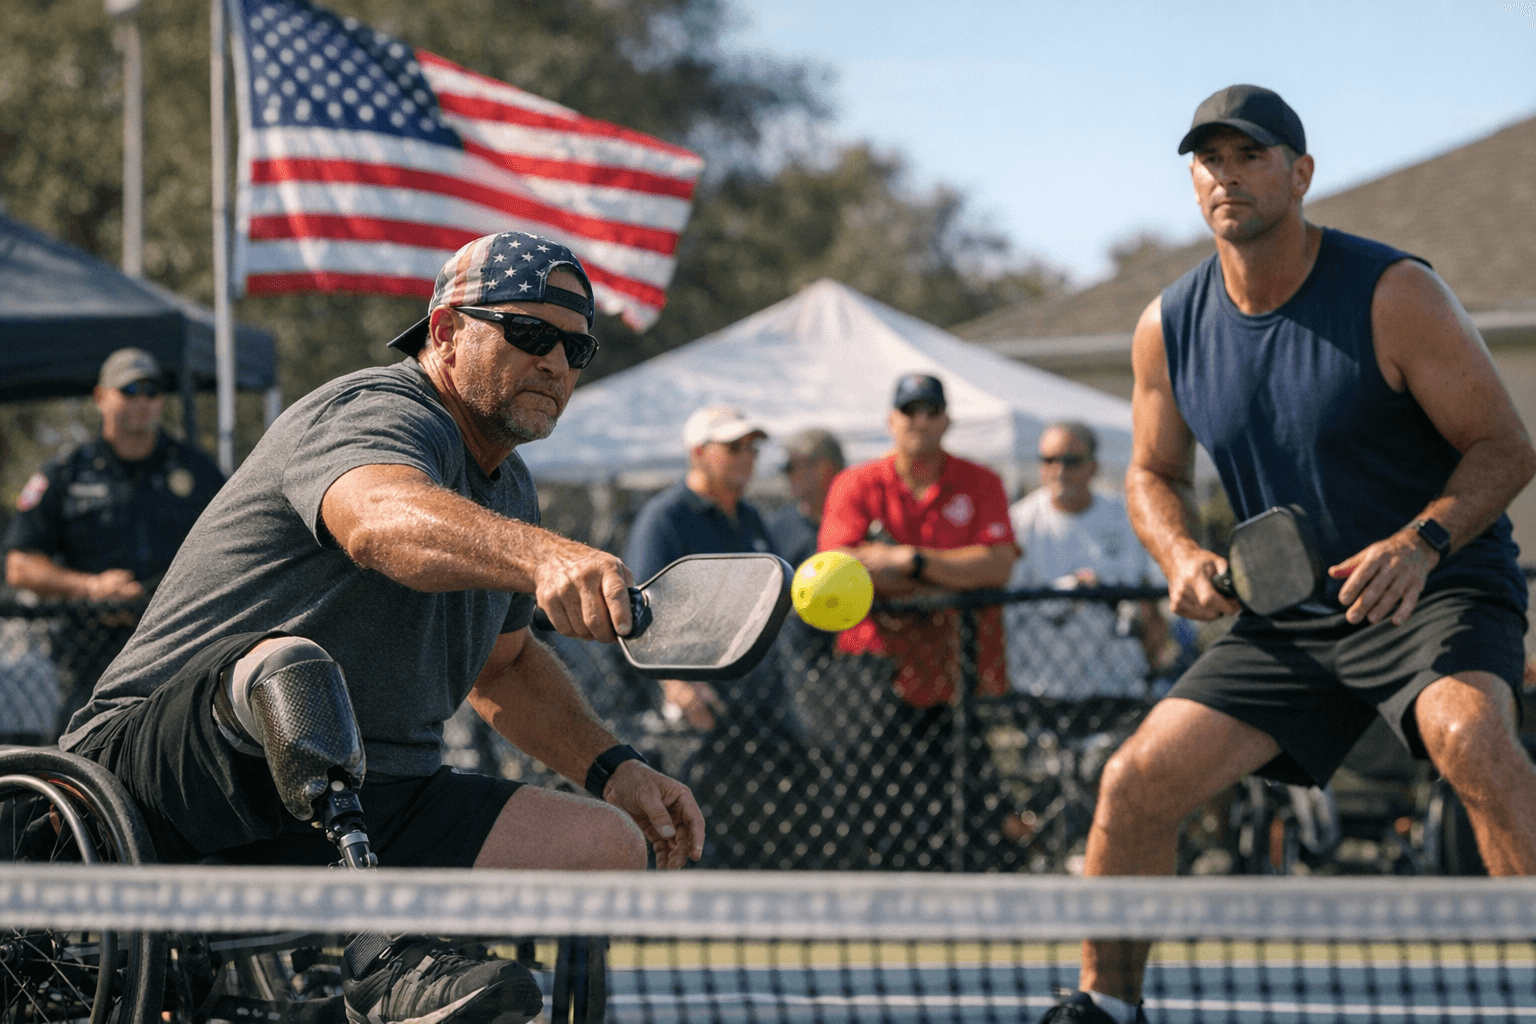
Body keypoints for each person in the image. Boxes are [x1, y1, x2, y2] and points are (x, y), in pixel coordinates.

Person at [58, 232, 704, 1024]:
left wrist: (618, 771)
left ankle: (333, 1011)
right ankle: (388, 956)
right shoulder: (374, 409)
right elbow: (376, 520)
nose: (556, 364)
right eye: (528, 333)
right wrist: (543, 557)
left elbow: (502, 670)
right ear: (444, 332)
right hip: (159, 777)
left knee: (607, 847)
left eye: (578, 347)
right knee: (291, 662)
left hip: (363, 801)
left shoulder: (511, 487)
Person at [1036, 85, 1536, 1024]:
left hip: (1431, 589)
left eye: (1251, 155)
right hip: (1286, 618)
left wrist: (1421, 542)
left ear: (1300, 174)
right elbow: (1151, 471)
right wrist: (1179, 550)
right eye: (1209, 159)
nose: (1228, 174)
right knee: (1135, 782)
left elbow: (1506, 447)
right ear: (1194, 183)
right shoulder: (1168, 325)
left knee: (1470, 738)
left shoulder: (1396, 295)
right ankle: (1105, 1005)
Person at [817, 373, 1020, 870]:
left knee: (966, 802)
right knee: (873, 804)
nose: (921, 421)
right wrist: (951, 579)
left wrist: (909, 563)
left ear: (947, 420)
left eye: (932, 410)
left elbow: (997, 565)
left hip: (958, 673)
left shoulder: (981, 481)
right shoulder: (857, 483)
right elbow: (835, 572)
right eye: (910, 410)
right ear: (892, 421)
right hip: (875, 671)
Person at [623, 406, 814, 867]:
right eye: (733, 447)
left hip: (762, 708)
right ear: (697, 453)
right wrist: (679, 688)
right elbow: (638, 610)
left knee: (774, 831)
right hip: (702, 715)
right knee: (698, 837)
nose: (747, 457)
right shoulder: (665, 518)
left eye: (752, 447)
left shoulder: (751, 517)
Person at [4, 347, 224, 739]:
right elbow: (19, 566)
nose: (142, 401)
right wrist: (90, 587)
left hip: (181, 654)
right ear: (101, 397)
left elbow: (232, 551)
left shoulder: (199, 472)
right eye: (129, 390)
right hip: (92, 661)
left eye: (152, 391)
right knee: (78, 770)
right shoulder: (66, 473)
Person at [1006, 421, 1166, 700]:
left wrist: (1154, 658)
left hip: (1119, 684)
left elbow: (1151, 606)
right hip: (1039, 686)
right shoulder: (1018, 522)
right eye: (1049, 460)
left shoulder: (1126, 518)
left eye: (1072, 461)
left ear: (1094, 466)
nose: (1060, 470)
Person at [767, 428, 845, 570]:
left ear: (823, 468)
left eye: (791, 466)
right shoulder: (776, 528)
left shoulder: (865, 521)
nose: (786, 473)